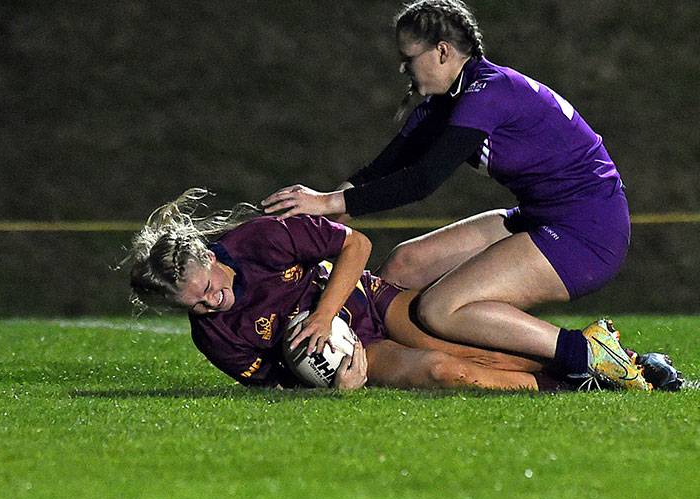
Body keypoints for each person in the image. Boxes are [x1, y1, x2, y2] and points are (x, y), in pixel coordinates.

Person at [262, 0, 651, 391]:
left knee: (442, 308)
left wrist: (328, 202)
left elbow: (423, 180)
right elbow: (376, 175)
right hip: (542, 215)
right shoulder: (444, 105)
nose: (404, 69)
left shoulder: (489, 92)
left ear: (442, 52)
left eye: (409, 58)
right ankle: (371, 362)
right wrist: (305, 220)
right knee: (404, 265)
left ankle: (587, 354)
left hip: (588, 229)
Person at [120, 189, 652, 392]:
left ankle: (602, 358)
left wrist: (325, 316)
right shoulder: (214, 337)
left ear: (211, 256)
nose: (210, 302)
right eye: (192, 304)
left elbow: (355, 245)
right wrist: (332, 385)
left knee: (463, 344)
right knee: (447, 373)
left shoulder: (260, 239)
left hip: (366, 301)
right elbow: (272, 385)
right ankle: (570, 387)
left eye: (208, 287)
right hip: (362, 354)